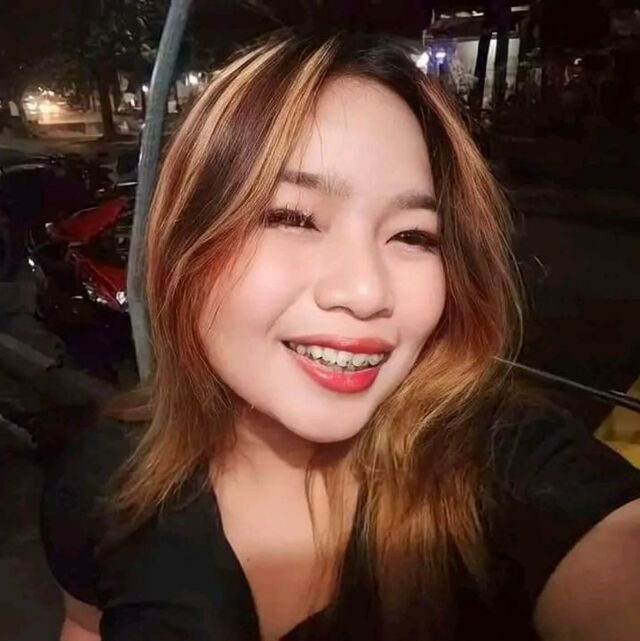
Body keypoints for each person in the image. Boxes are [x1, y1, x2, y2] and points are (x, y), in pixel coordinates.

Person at [40, 30, 640, 641]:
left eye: (412, 236)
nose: (366, 291)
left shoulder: (504, 460)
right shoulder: (103, 482)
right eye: (293, 218)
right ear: (183, 244)